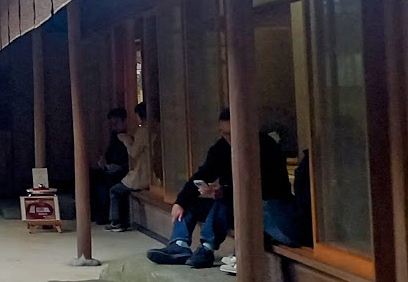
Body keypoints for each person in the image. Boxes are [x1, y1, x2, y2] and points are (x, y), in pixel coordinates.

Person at [149, 108, 290, 267]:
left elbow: (266, 187)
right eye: (224, 133)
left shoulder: (265, 147)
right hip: (229, 200)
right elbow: (203, 174)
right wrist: (180, 202)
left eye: (231, 133)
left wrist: (224, 191)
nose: (227, 138)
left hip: (262, 208)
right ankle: (178, 245)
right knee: (190, 203)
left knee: (223, 203)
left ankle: (207, 248)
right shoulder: (221, 148)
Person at [105, 102, 151, 231]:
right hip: (143, 172)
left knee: (115, 190)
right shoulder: (156, 128)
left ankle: (117, 222)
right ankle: (117, 220)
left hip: (142, 173)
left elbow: (134, 153)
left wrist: (127, 141)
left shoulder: (143, 131)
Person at [90, 107, 130, 223]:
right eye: (112, 124)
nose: (114, 127)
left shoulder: (128, 135)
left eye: (116, 123)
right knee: (92, 175)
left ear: (125, 121)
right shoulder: (115, 135)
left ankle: (105, 216)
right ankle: (95, 214)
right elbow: (109, 152)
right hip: (112, 167)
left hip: (125, 170)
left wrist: (120, 167)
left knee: (105, 183)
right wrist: (103, 161)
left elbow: (133, 157)